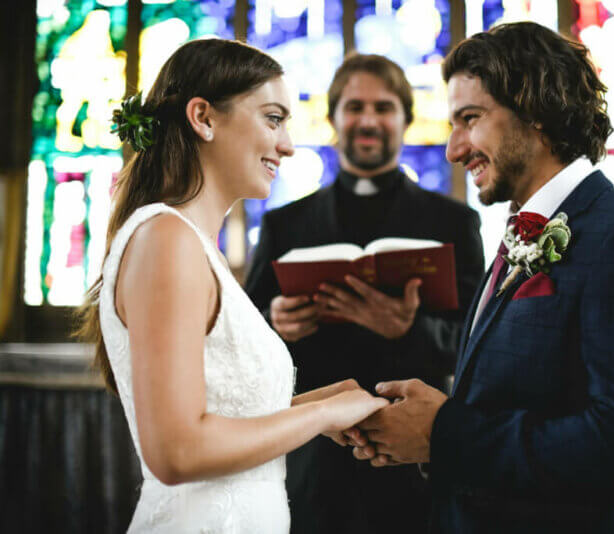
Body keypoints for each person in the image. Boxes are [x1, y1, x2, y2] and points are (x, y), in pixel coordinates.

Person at [349, 22, 614, 533]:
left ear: (536, 109)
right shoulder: (519, 233)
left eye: (470, 119)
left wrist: (445, 434)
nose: (453, 149)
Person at [76, 39, 388, 533]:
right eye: (273, 119)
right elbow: (177, 453)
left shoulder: (194, 245)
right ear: (203, 117)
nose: (287, 145)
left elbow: (222, 415)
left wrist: (316, 403)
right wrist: (324, 414)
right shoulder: (166, 240)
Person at [244, 53, 485, 534]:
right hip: (313, 462)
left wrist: (409, 328)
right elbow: (242, 345)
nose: (368, 120)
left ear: (405, 119)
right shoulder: (284, 225)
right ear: (333, 118)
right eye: (354, 107)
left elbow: (478, 348)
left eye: (383, 107)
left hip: (415, 465)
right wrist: (278, 324)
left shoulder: (454, 222)